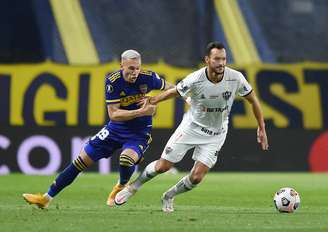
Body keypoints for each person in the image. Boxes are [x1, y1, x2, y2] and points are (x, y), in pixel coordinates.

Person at [114, 42, 269, 212]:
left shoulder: (236, 77)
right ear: (207, 60)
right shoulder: (196, 78)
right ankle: (133, 187)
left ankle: (169, 196)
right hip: (191, 127)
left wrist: (261, 127)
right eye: (217, 59)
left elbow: (253, 100)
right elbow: (174, 92)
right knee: (163, 166)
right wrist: (153, 99)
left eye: (224, 59)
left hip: (216, 134)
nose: (221, 63)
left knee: (196, 178)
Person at [23, 49, 174, 208]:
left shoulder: (149, 78)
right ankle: (45, 199)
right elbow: (114, 114)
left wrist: (155, 99)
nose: (135, 72)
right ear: (121, 65)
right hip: (115, 129)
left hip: (138, 133)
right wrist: (142, 111)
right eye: (131, 68)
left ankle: (121, 186)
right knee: (80, 161)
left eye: (137, 68)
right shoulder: (113, 81)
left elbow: (173, 89)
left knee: (126, 159)